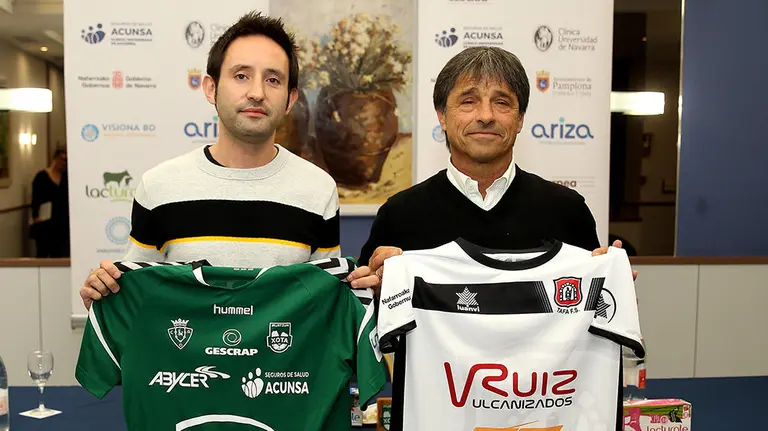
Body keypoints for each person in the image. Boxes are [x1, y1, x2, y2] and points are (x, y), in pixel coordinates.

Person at [79, 11, 341, 309]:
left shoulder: (318, 190)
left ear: (290, 99)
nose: (257, 93)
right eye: (241, 75)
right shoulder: (159, 188)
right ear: (211, 88)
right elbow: (136, 301)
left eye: (273, 79)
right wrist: (103, 294)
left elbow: (325, 305)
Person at [347, 45, 637, 291]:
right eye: (469, 101)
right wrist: (374, 291)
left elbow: (591, 317)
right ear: (442, 116)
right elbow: (363, 321)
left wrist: (610, 287)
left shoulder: (567, 211)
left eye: (501, 102)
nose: (485, 116)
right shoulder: (400, 214)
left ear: (520, 118)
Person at [30, 148, 70, 258]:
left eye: (66, 160)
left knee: (60, 252)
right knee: (43, 252)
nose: (64, 163)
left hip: (62, 223)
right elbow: (35, 198)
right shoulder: (41, 177)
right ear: (55, 158)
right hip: (45, 221)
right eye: (62, 159)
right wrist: (36, 215)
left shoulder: (66, 177)